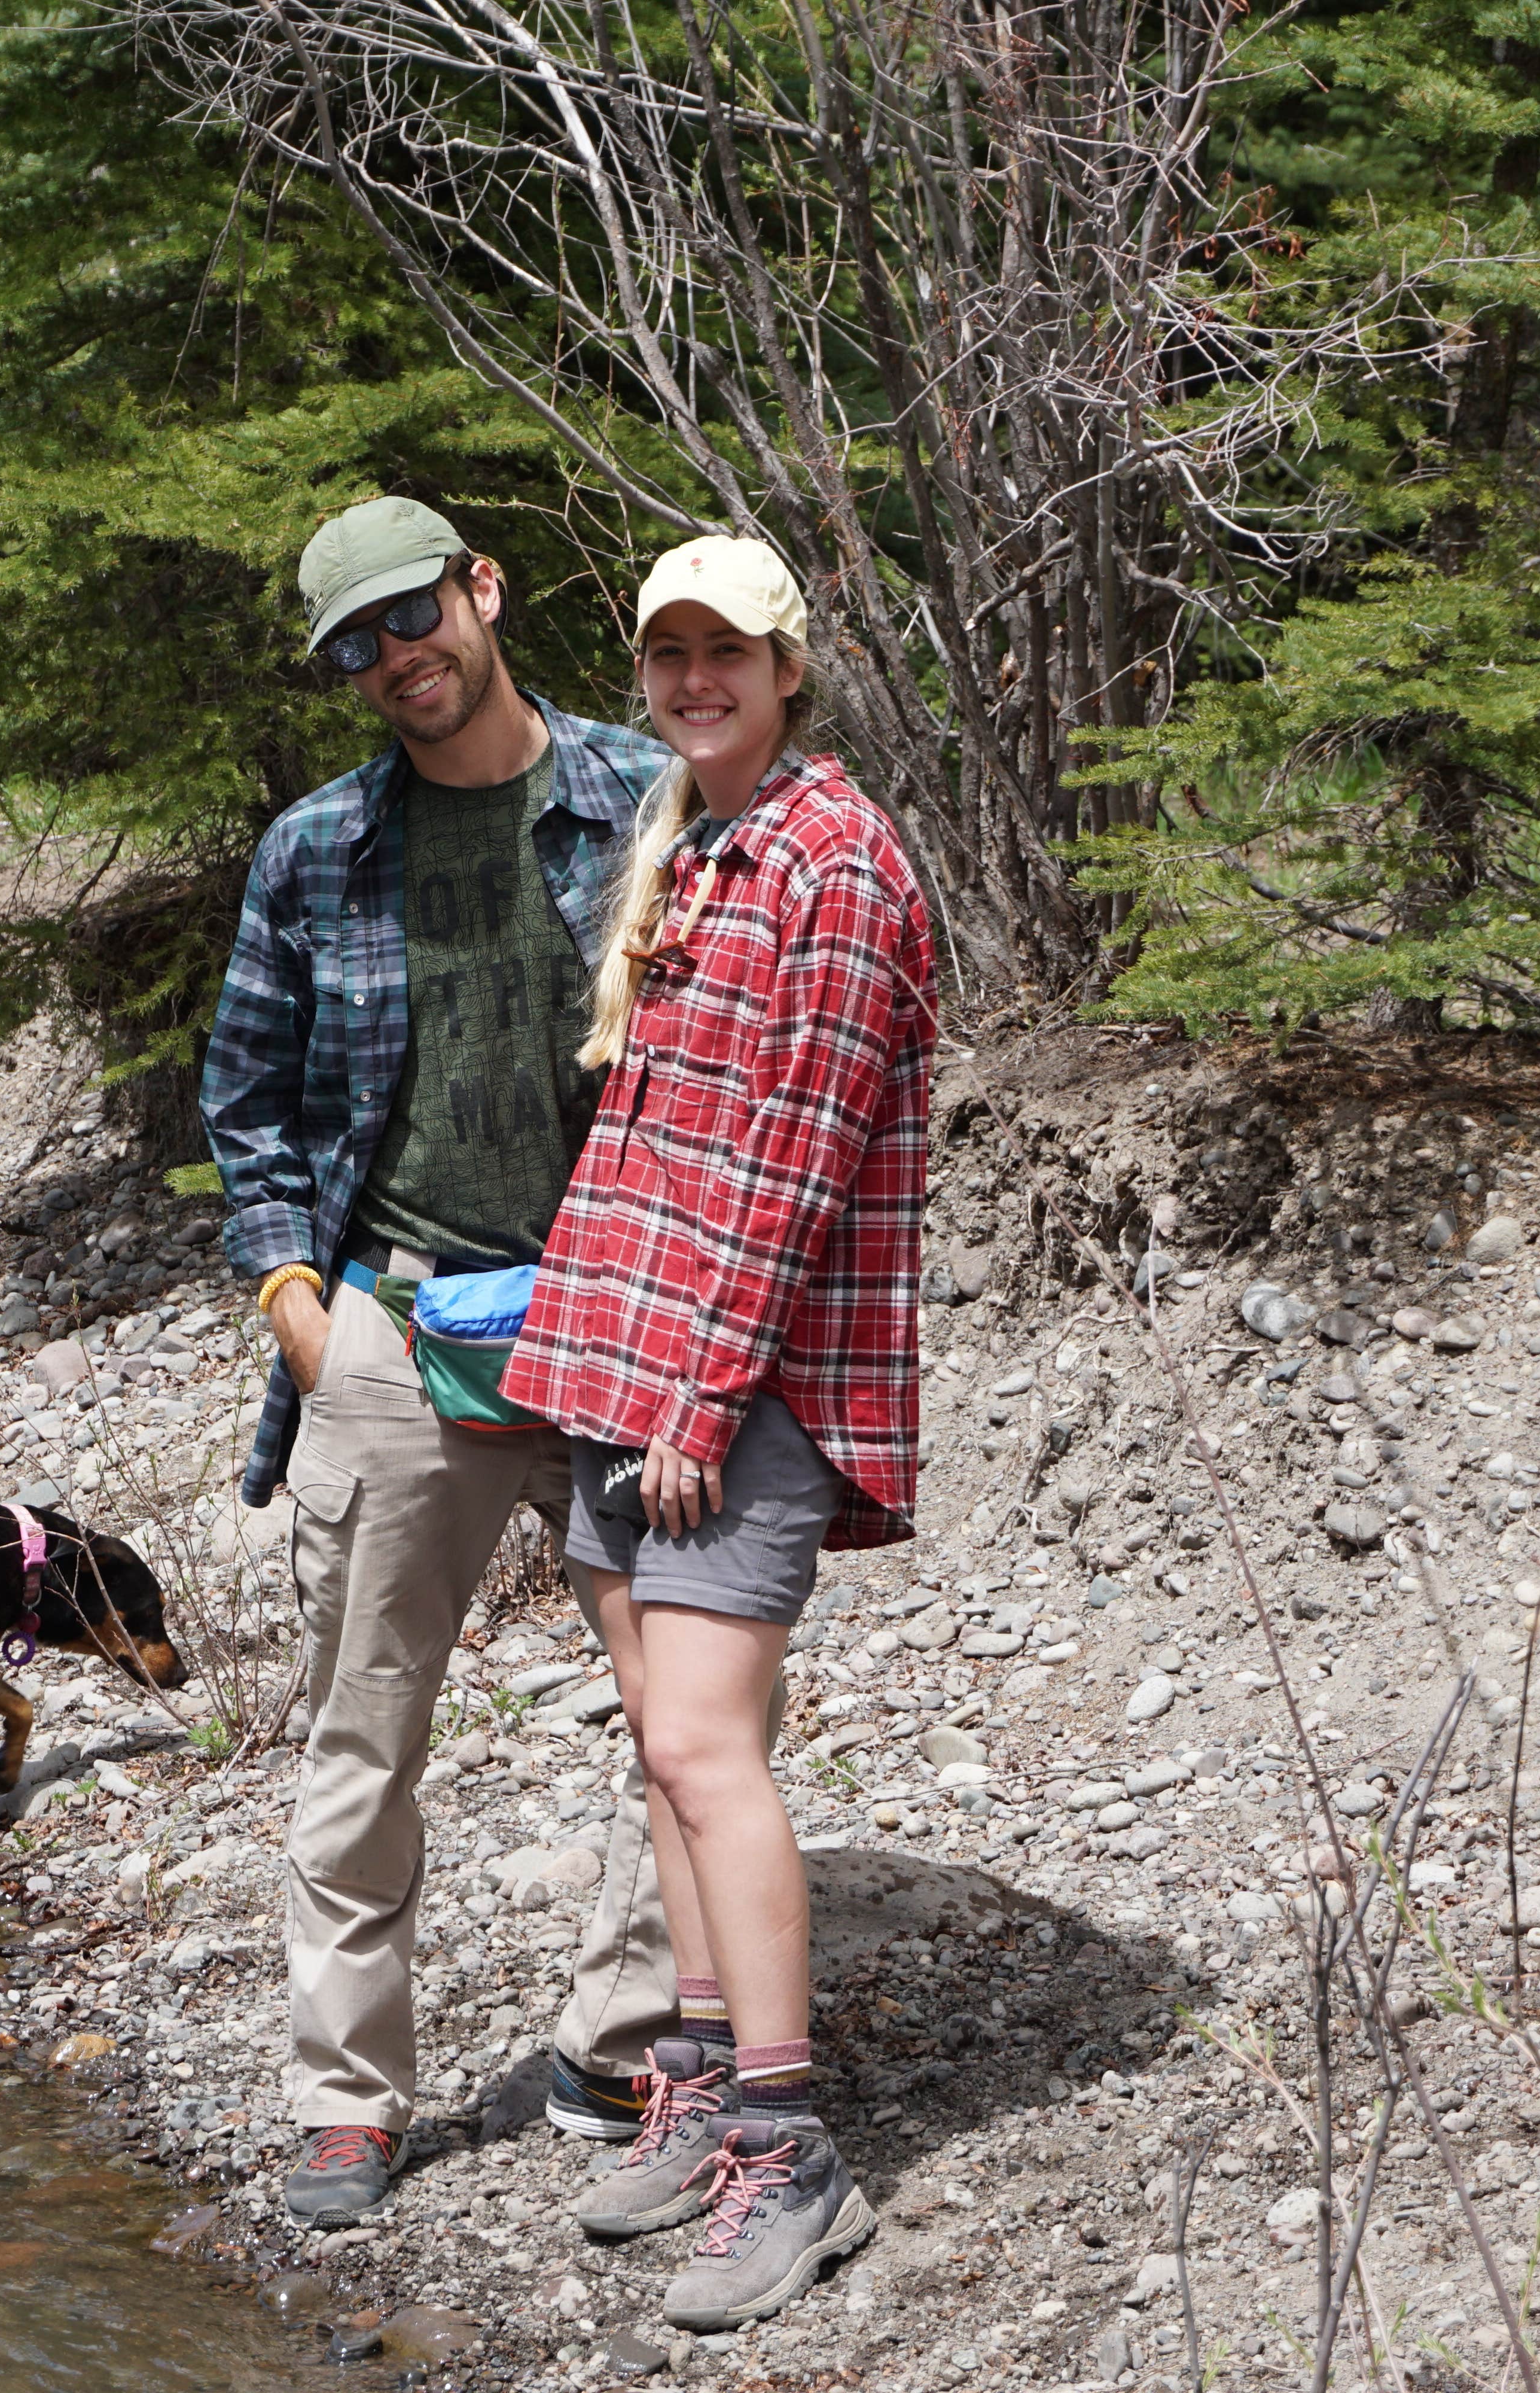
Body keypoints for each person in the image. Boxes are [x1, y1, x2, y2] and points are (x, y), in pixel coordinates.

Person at [201, 496, 711, 2227]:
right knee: (364, 1737)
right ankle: (349, 2097)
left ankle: (625, 2039)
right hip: (399, 1336)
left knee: (688, 1720)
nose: (394, 658)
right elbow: (245, 1103)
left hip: (624, 1327)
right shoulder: (313, 850)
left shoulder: (652, 797)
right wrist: (298, 1301)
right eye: (353, 642)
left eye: (411, 615)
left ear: (481, 592)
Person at [498, 534, 933, 2331]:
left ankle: (789, 2146)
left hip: (735, 1387)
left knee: (706, 1749)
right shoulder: (691, 834)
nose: (693, 681)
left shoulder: (836, 863)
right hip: (628, 1364)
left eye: (724, 654)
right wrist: (597, 1370)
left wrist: (695, 1392)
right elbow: (662, 1145)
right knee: (657, 1754)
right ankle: (691, 2074)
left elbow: (795, 1164)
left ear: (789, 667)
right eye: (667, 653)